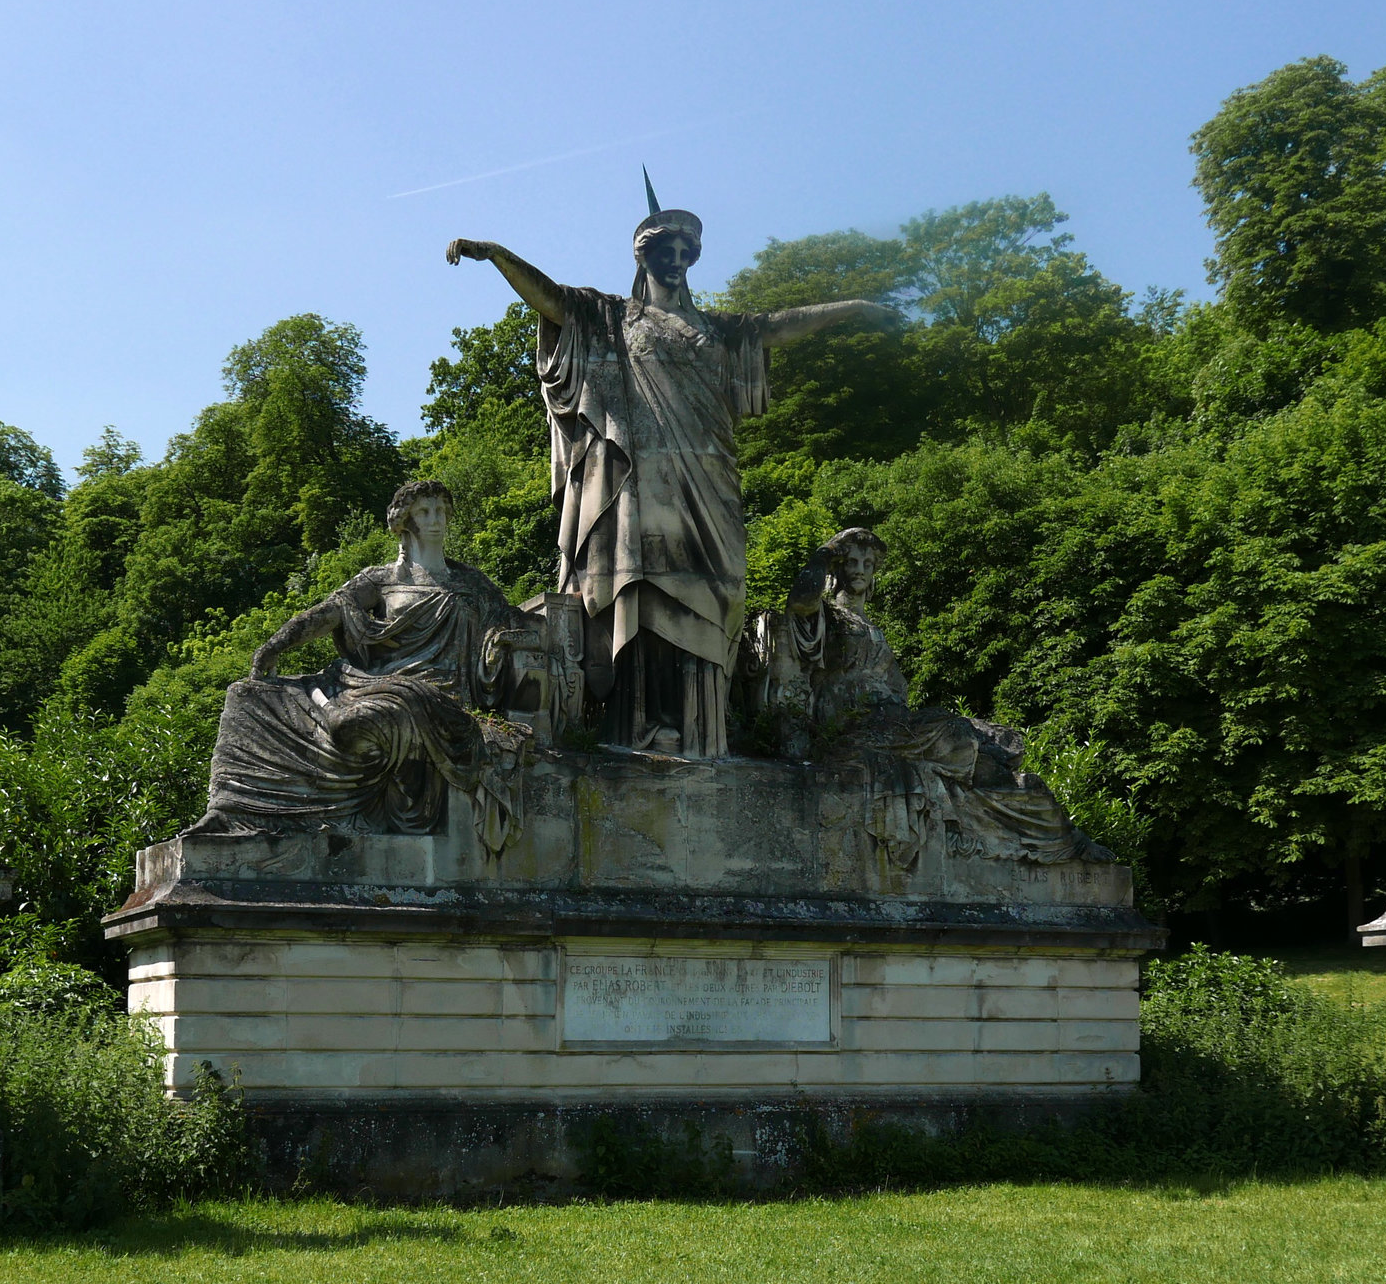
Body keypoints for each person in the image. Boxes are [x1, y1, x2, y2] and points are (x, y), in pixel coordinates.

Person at [448, 193, 900, 755]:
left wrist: (852, 307)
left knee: (722, 590)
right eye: (666, 247)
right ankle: (641, 730)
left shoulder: (719, 329)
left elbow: (780, 327)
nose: (678, 257)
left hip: (710, 476)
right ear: (645, 256)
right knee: (643, 584)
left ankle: (707, 734)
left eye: (688, 249)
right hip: (642, 475)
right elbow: (555, 302)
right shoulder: (612, 316)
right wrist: (497, 255)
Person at [195, 480, 525, 849]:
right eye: (424, 512)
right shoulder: (380, 579)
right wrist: (275, 645)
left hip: (432, 697)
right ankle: (231, 809)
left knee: (357, 723)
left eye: (440, 511)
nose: (435, 520)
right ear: (404, 522)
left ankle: (328, 814)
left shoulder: (473, 584)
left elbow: (511, 627)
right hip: (367, 683)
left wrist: (503, 646)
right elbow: (329, 612)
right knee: (245, 695)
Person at [744, 528, 1092, 870]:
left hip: (891, 721)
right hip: (856, 724)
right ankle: (1042, 831)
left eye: (867, 563)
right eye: (851, 561)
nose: (860, 569)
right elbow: (800, 601)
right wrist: (823, 553)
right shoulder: (829, 617)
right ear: (837, 569)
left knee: (990, 738)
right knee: (955, 733)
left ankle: (1044, 825)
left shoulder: (872, 628)